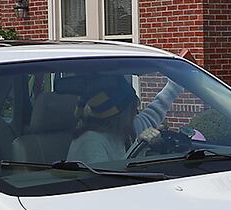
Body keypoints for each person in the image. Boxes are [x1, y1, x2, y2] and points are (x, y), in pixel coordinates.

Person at [67, 50, 195, 166]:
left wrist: (179, 78)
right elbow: (107, 180)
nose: (137, 109)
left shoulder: (128, 127)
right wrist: (138, 144)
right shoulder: (90, 141)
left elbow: (157, 107)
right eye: (134, 107)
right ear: (121, 113)